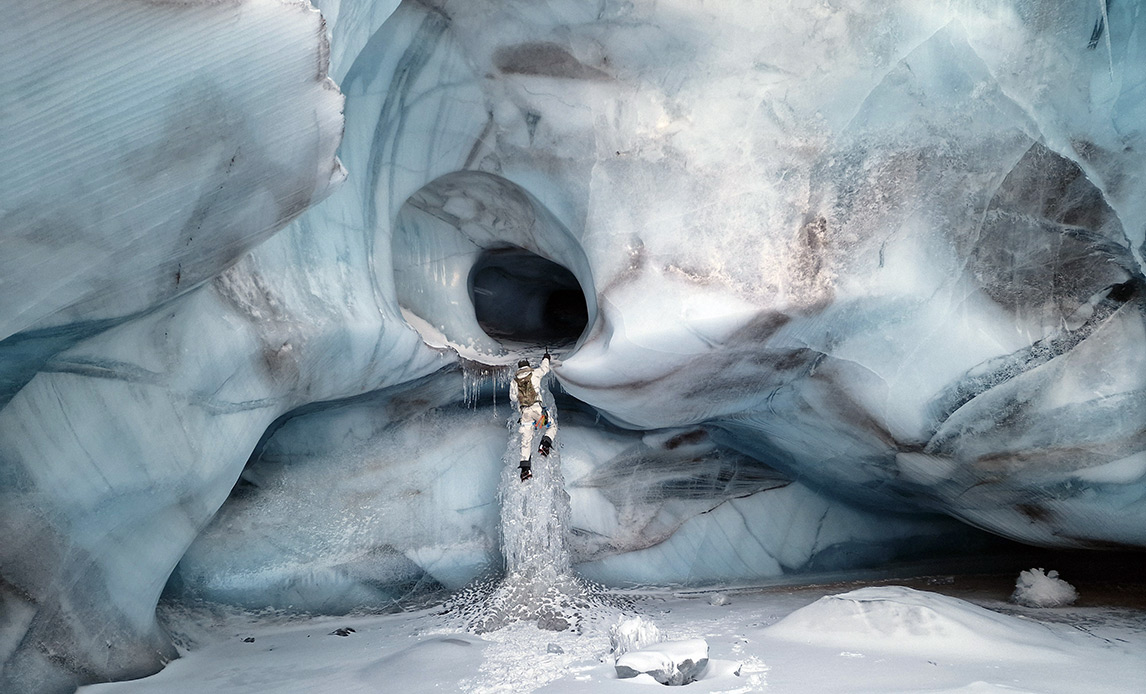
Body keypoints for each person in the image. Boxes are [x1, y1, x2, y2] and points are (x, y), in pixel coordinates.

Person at [509, 352, 556, 481]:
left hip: (525, 414)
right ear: (528, 366)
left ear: (518, 369)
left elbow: (513, 398)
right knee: (551, 425)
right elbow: (544, 369)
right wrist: (546, 357)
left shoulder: (514, 381)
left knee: (526, 440)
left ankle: (525, 469)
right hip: (537, 411)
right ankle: (545, 444)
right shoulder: (534, 373)